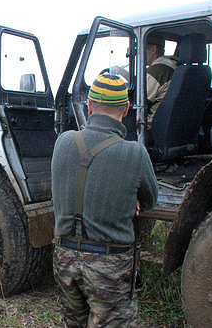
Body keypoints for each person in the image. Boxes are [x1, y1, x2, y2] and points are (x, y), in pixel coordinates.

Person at [51, 74, 158, 327]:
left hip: (64, 260)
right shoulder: (134, 152)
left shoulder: (63, 141)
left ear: (89, 107)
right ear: (126, 109)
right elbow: (150, 199)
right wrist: (132, 197)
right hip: (109, 265)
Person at [146, 36, 179, 128]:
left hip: (151, 126)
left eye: (141, 49)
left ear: (153, 50)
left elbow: (141, 99)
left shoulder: (156, 71)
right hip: (173, 125)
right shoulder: (176, 67)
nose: (138, 54)